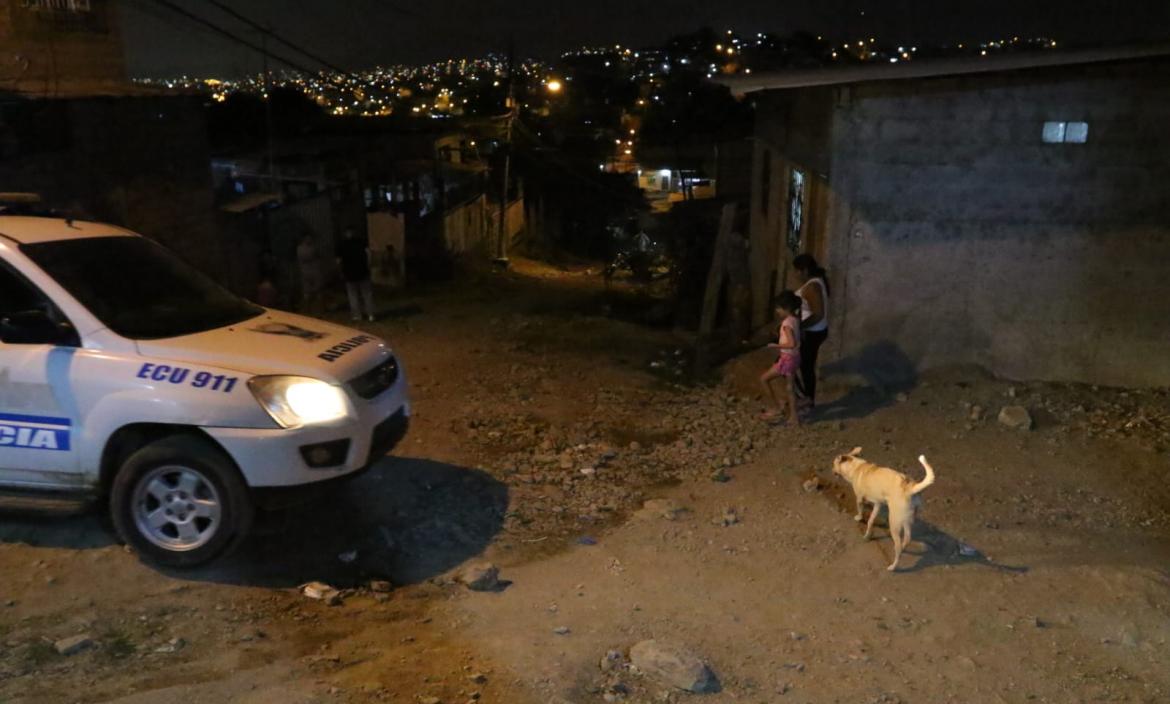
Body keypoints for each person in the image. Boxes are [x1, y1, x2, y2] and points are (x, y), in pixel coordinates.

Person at [793, 253, 830, 408]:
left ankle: (806, 398)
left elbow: (818, 314)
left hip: (812, 332)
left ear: (805, 270)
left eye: (797, 270)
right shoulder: (816, 282)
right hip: (814, 331)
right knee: (806, 366)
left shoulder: (813, 286)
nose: (796, 274)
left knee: (794, 365)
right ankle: (808, 399)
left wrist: (799, 326)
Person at [759, 290, 802, 425]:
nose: (777, 311)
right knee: (790, 388)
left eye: (778, 308)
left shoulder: (786, 324)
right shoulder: (795, 320)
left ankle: (778, 409)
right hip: (794, 357)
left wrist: (775, 345)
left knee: (764, 379)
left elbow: (791, 343)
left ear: (786, 308)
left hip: (787, 358)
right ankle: (792, 416)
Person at [335, 227, 375, 322]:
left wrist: (340, 271)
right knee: (367, 294)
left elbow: (338, 261)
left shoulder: (341, 245)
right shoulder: (361, 242)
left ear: (345, 234)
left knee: (353, 296)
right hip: (362, 271)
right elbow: (369, 254)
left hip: (349, 274)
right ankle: (371, 315)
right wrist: (368, 265)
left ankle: (357, 316)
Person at [296, 233, 324, 314]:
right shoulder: (312, 248)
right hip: (313, 272)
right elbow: (316, 255)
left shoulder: (299, 248)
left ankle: (311, 311)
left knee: (309, 293)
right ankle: (316, 311)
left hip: (306, 272)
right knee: (315, 292)